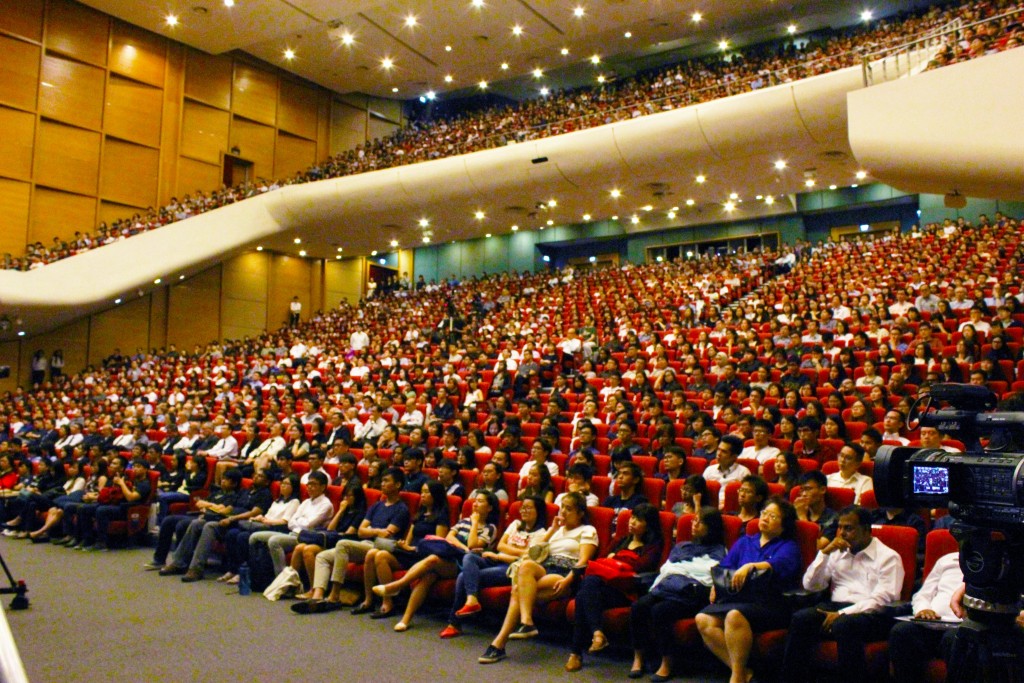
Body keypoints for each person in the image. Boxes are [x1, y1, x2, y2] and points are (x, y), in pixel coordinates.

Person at [780, 506, 905, 683]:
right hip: (836, 606)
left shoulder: (888, 557)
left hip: (872, 613)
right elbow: (811, 585)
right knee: (801, 618)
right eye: (839, 527)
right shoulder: (837, 552)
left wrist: (842, 614)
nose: (841, 533)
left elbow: (883, 599)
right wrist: (824, 553)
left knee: (844, 624)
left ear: (867, 530)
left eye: (849, 528)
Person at [478, 491, 599, 664]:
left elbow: (583, 561)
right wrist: (552, 530)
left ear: (580, 513)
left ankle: (499, 644)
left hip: (565, 573)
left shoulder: (587, 530)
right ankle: (526, 621)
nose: (563, 512)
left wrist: (568, 580)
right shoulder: (557, 530)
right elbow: (532, 553)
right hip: (546, 567)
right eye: (562, 507)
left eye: (569, 509)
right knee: (526, 566)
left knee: (517, 591)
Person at [695, 498, 802, 683]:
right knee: (703, 619)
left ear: (783, 525)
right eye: (764, 514)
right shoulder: (745, 541)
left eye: (773, 516)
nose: (765, 518)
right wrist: (715, 585)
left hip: (770, 602)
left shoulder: (788, 546)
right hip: (738, 598)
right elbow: (724, 567)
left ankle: (736, 677)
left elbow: (781, 565)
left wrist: (751, 566)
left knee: (733, 616)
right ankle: (745, 672)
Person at [372, 490, 500, 631]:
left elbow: (473, 544)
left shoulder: (490, 528)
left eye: (480, 501)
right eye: (475, 501)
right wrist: (463, 548)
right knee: (428, 577)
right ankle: (405, 619)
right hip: (450, 558)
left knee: (432, 559)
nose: (475, 504)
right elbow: (449, 538)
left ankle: (396, 586)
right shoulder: (463, 522)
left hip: (467, 566)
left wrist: (475, 524)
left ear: (489, 508)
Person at [630, 507, 727, 680]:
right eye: (694, 520)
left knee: (660, 611)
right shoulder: (683, 545)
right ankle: (639, 657)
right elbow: (666, 568)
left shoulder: (719, 550)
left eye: (700, 521)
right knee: (639, 606)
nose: (694, 524)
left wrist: (681, 568)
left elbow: (708, 573)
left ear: (711, 527)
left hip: (691, 593)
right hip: (668, 586)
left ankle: (667, 661)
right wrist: (684, 568)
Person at [566, 503, 664, 672]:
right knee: (587, 589)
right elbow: (601, 560)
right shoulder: (620, 540)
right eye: (632, 517)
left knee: (585, 593)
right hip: (603, 587)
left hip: (626, 591)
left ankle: (576, 653)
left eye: (639, 520)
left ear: (648, 525)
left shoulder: (653, 545)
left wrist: (616, 560)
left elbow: (642, 566)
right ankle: (597, 634)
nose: (632, 522)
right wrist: (617, 561)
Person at [299, 468, 410, 610]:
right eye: (382, 481)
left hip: (380, 547)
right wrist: (376, 531)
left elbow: (387, 534)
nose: (382, 484)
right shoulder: (377, 505)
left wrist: (370, 531)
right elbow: (361, 532)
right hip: (364, 543)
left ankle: (334, 595)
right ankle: (318, 597)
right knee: (322, 556)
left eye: (386, 481)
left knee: (343, 544)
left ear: (398, 485)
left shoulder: (401, 509)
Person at [440, 495, 548, 638]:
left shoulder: (541, 534)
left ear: (538, 511)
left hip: (511, 567)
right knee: (470, 556)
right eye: (523, 507)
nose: (524, 510)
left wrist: (502, 555)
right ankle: (471, 599)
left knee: (462, 576)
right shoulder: (515, 524)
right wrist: (515, 552)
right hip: (497, 559)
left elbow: (528, 558)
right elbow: (500, 545)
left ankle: (454, 623)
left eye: (528, 508)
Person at [353, 480, 449, 618]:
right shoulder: (420, 514)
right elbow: (408, 539)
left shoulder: (441, 517)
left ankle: (388, 602)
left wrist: (412, 548)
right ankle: (369, 600)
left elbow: (438, 544)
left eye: (427, 492)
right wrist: (403, 545)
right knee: (372, 553)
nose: (422, 495)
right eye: (422, 492)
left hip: (422, 556)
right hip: (408, 553)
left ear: (436, 495)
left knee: (380, 556)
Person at [887, 550, 963, 683]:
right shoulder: (948, 560)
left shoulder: (994, 564)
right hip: (932, 624)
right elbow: (923, 594)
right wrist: (923, 609)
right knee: (901, 631)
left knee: (954, 638)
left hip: (961, 626)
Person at [248, 470, 335, 577]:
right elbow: (291, 523)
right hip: (292, 533)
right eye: (308, 484)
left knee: (274, 541)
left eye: (314, 484)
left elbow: (309, 525)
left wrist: (300, 520)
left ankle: (281, 578)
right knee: (254, 537)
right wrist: (302, 521)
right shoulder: (306, 502)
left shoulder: (326, 504)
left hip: (306, 538)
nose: (310, 487)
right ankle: (256, 575)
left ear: (323, 487)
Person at [219, 474, 301, 584]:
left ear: (294, 487)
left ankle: (243, 572)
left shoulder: (294, 502)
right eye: (282, 483)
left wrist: (265, 521)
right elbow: (267, 515)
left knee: (243, 537)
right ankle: (232, 569)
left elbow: (284, 522)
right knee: (232, 533)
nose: (283, 486)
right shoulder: (277, 500)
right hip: (264, 525)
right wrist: (259, 518)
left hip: (277, 529)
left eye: (286, 484)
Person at [795, 470, 839, 548]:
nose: (804, 494)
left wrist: (802, 517)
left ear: (822, 490)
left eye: (808, 489)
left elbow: (818, 547)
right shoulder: (797, 511)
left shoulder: (833, 518)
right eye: (802, 490)